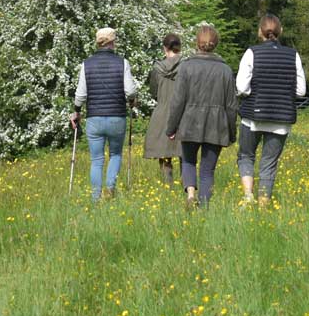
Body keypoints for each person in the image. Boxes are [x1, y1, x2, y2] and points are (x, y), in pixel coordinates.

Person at [236, 13, 306, 208]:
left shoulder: (251, 53)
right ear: (280, 31)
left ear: (260, 32)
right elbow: (301, 91)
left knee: (246, 156)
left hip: (253, 117)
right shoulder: (293, 55)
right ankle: (264, 205)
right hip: (281, 119)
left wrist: (254, 91)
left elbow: (241, 87)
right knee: (269, 163)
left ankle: (248, 197)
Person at [163, 24, 237, 207]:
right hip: (216, 125)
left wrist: (171, 128)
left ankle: (190, 195)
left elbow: (178, 101)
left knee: (188, 161)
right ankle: (204, 207)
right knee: (207, 170)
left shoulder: (186, 67)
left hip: (189, 122)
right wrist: (231, 132)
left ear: (197, 43)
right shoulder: (225, 70)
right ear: (215, 44)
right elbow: (231, 105)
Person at [70, 26, 138, 202]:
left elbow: (80, 95)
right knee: (115, 154)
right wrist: (132, 102)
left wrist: (77, 112)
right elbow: (130, 91)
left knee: (96, 160)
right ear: (113, 42)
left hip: (94, 118)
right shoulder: (122, 62)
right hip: (117, 116)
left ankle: (95, 197)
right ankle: (110, 189)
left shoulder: (86, 64)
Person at [144, 33, 183, 185]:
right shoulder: (186, 66)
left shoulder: (157, 69)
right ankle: (187, 185)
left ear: (164, 48)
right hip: (182, 112)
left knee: (164, 152)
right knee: (184, 153)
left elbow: (154, 92)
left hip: (162, 111)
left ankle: (168, 185)